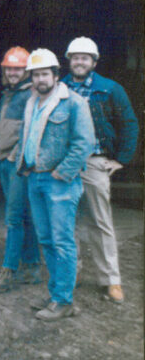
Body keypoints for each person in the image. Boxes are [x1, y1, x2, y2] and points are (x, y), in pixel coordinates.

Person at [17, 48, 94, 321]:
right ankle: (55, 294)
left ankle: (64, 300)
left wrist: (63, 172)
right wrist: (23, 165)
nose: (40, 79)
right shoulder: (32, 102)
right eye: (35, 74)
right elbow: (27, 136)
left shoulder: (73, 103)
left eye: (44, 73)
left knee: (62, 241)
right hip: (35, 178)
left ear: (55, 74)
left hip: (59, 181)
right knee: (47, 240)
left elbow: (84, 142)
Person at [61, 36, 138, 305]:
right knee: (66, 222)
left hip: (94, 162)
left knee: (100, 222)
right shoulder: (59, 88)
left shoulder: (110, 89)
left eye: (85, 57)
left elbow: (129, 123)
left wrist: (121, 160)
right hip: (65, 163)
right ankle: (72, 274)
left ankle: (111, 280)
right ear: (68, 60)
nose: (79, 61)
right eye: (75, 57)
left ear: (94, 61)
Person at [0, 47, 41, 293]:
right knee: (23, 215)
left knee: (13, 217)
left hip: (16, 164)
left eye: (17, 68)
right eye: (9, 68)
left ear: (26, 70)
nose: (12, 72)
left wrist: (15, 157)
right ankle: (32, 266)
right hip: (6, 162)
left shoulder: (30, 94)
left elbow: (30, 132)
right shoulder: (8, 94)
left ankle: (8, 271)